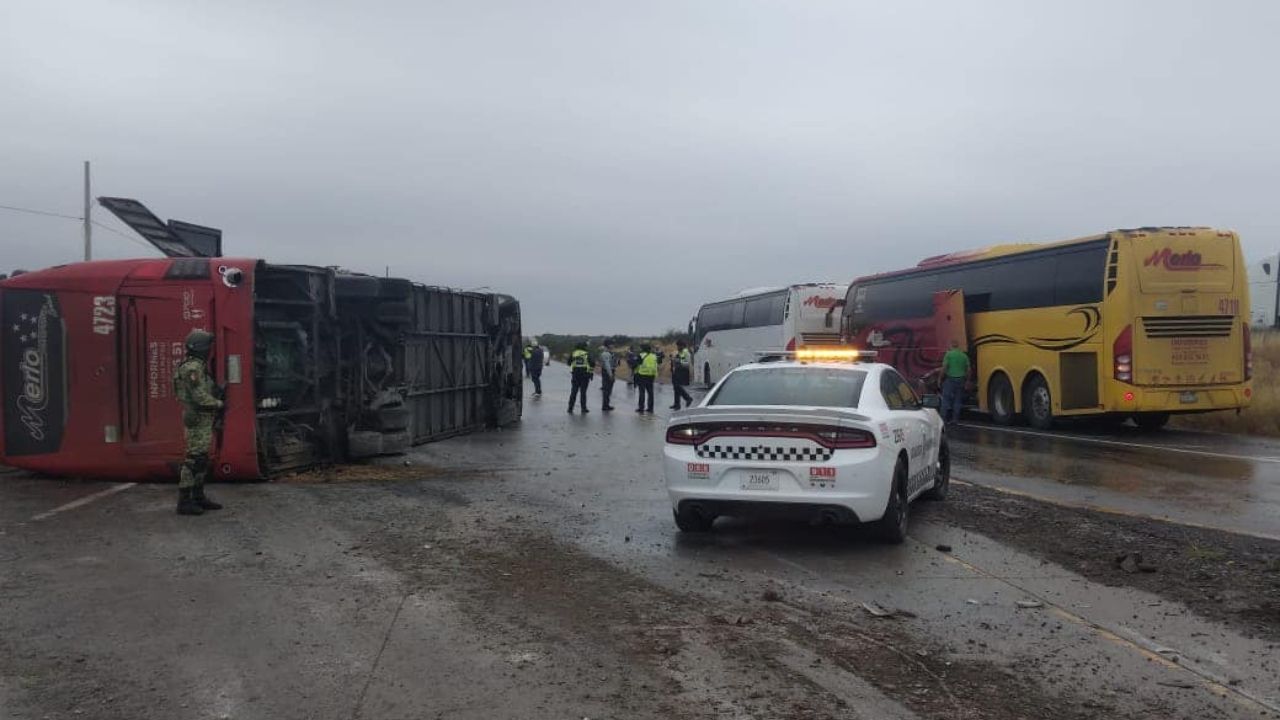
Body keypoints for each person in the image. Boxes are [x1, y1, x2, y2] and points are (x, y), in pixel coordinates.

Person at [173, 329, 225, 516]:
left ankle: (198, 496)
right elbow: (199, 396)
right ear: (200, 348)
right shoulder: (192, 368)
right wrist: (218, 403)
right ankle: (185, 501)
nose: (210, 350)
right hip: (197, 417)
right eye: (208, 346)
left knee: (202, 459)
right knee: (194, 460)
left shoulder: (198, 366)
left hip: (202, 417)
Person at [939, 339, 970, 425]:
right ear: (958, 345)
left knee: (945, 399)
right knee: (957, 400)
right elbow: (968, 370)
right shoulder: (964, 356)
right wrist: (967, 381)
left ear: (951, 345)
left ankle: (943, 419)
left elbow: (944, 367)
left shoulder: (948, 354)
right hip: (961, 380)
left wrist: (940, 379)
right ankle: (955, 419)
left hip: (950, 379)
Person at [567, 341, 593, 413]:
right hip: (585, 375)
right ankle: (583, 408)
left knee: (573, 392)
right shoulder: (586, 354)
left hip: (575, 374)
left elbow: (569, 363)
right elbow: (592, 363)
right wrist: (591, 373)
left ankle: (570, 408)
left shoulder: (573, 353)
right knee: (583, 392)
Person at [669, 339, 694, 410]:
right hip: (676, 371)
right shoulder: (678, 352)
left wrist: (679, 362)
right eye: (677, 346)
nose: (678, 347)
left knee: (677, 386)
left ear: (683, 346)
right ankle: (677, 404)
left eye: (679, 346)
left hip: (683, 371)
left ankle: (688, 398)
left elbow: (687, 363)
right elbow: (675, 360)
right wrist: (673, 359)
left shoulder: (686, 353)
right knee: (675, 388)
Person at [634, 344, 658, 413]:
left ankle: (641, 408)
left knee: (642, 392)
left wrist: (635, 373)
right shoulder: (654, 356)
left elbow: (637, 365)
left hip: (642, 375)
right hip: (651, 376)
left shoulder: (641, 355)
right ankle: (650, 408)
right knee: (650, 392)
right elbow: (656, 365)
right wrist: (655, 374)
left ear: (642, 349)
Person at [598, 341, 617, 412]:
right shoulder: (605, 354)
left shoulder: (610, 353)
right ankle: (605, 405)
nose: (613, 346)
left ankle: (606, 404)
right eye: (612, 344)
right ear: (608, 345)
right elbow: (607, 365)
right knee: (606, 389)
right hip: (607, 372)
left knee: (609, 390)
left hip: (610, 371)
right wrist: (611, 375)